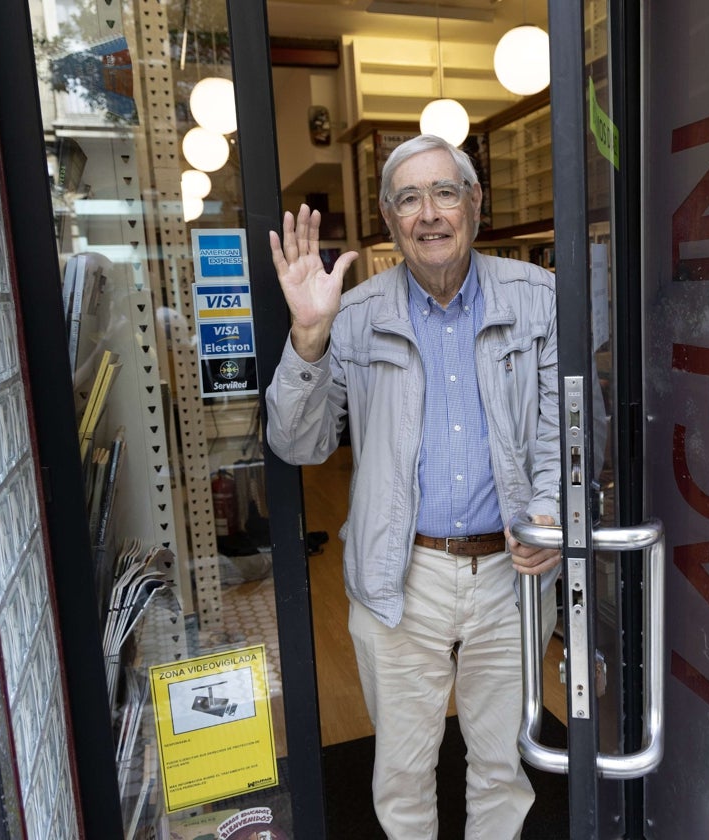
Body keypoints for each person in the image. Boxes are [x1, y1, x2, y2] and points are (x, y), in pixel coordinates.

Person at [264, 134, 560, 840]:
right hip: (402, 575)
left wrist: (549, 510)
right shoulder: (355, 313)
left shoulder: (539, 297)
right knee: (400, 773)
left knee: (502, 765)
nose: (428, 213)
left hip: (509, 577)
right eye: (408, 199)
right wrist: (308, 337)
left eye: (444, 192)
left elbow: (566, 430)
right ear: (389, 219)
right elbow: (297, 444)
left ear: (474, 204)